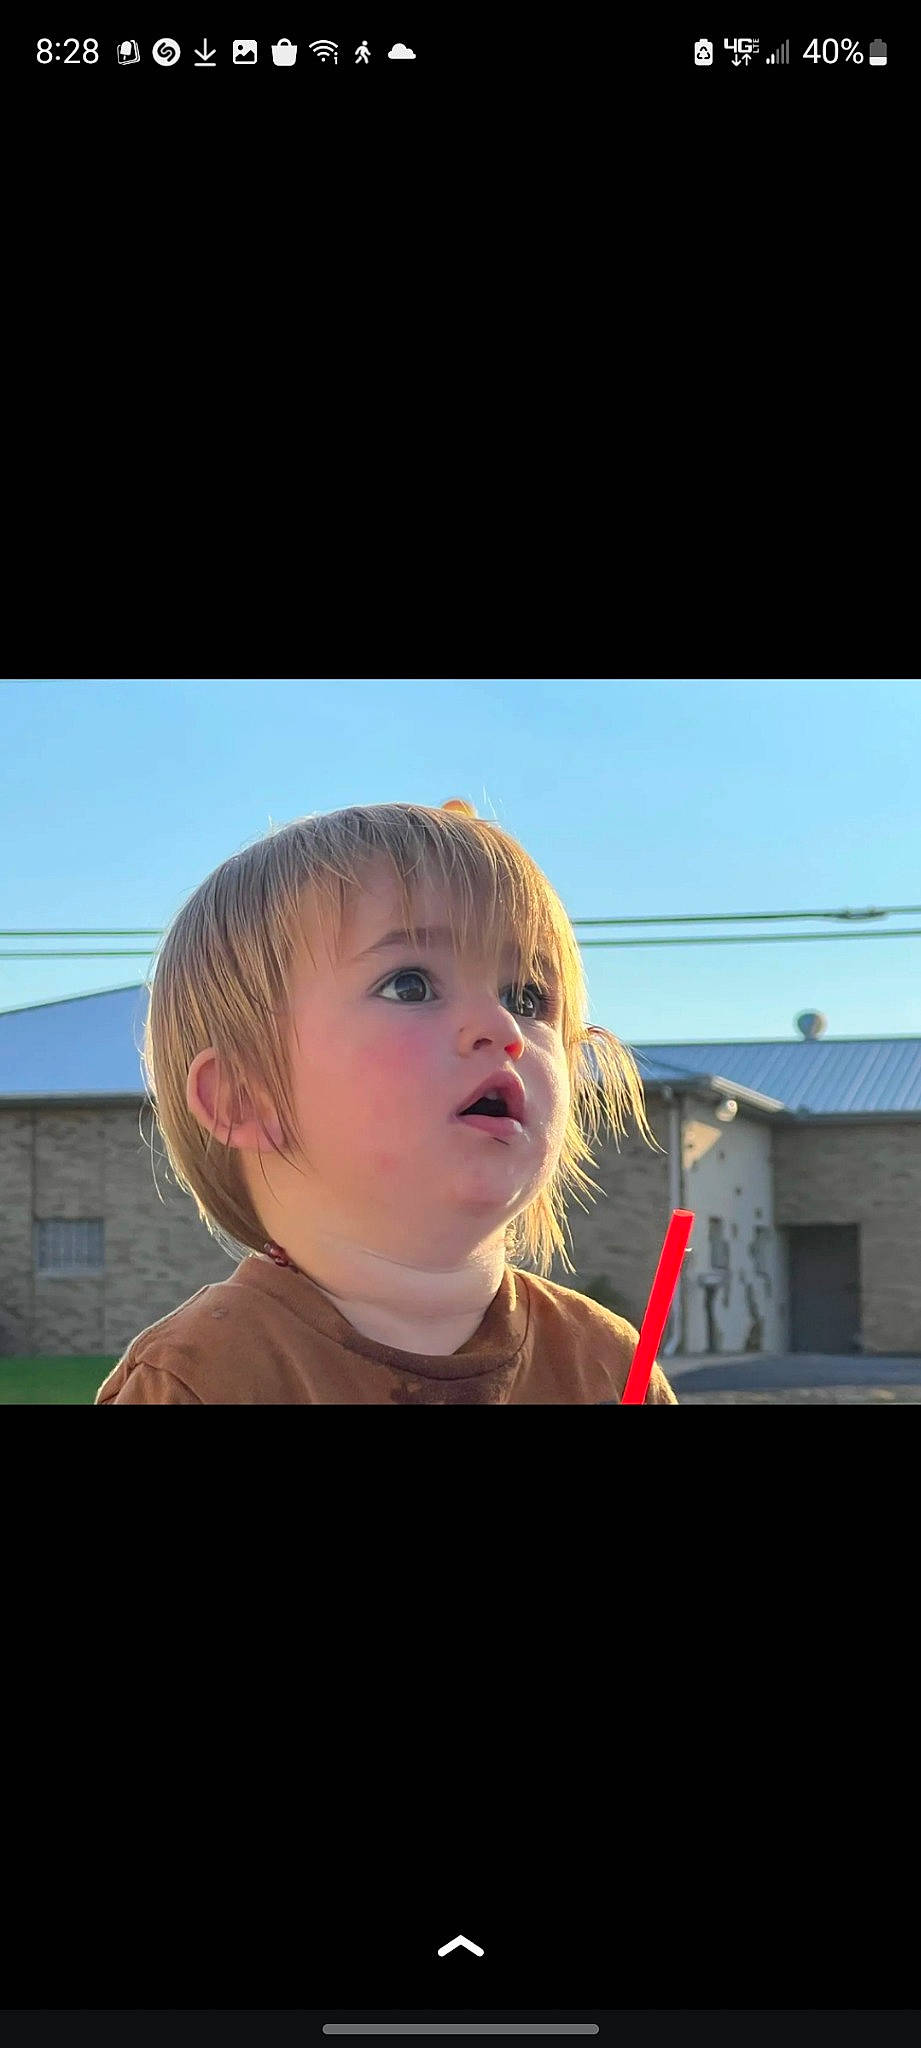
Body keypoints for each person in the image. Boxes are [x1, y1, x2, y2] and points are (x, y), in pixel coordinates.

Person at [95, 798, 678, 1404]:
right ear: (243, 1097)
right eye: (411, 985)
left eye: (526, 998)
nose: (501, 1026)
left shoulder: (608, 1365)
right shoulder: (205, 1379)